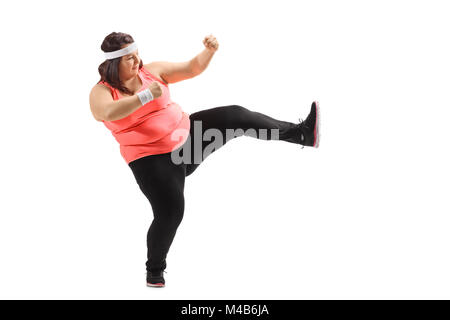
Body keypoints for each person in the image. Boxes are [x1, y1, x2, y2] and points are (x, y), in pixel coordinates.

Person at [89, 32, 320, 288]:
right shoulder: (101, 92)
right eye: (129, 59)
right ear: (113, 63)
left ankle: (301, 134)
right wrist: (145, 96)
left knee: (236, 116)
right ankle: (154, 270)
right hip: (152, 161)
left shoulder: (152, 73)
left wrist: (208, 52)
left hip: (186, 139)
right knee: (171, 211)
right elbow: (104, 112)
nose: (136, 61)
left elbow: (191, 67)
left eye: (137, 55)